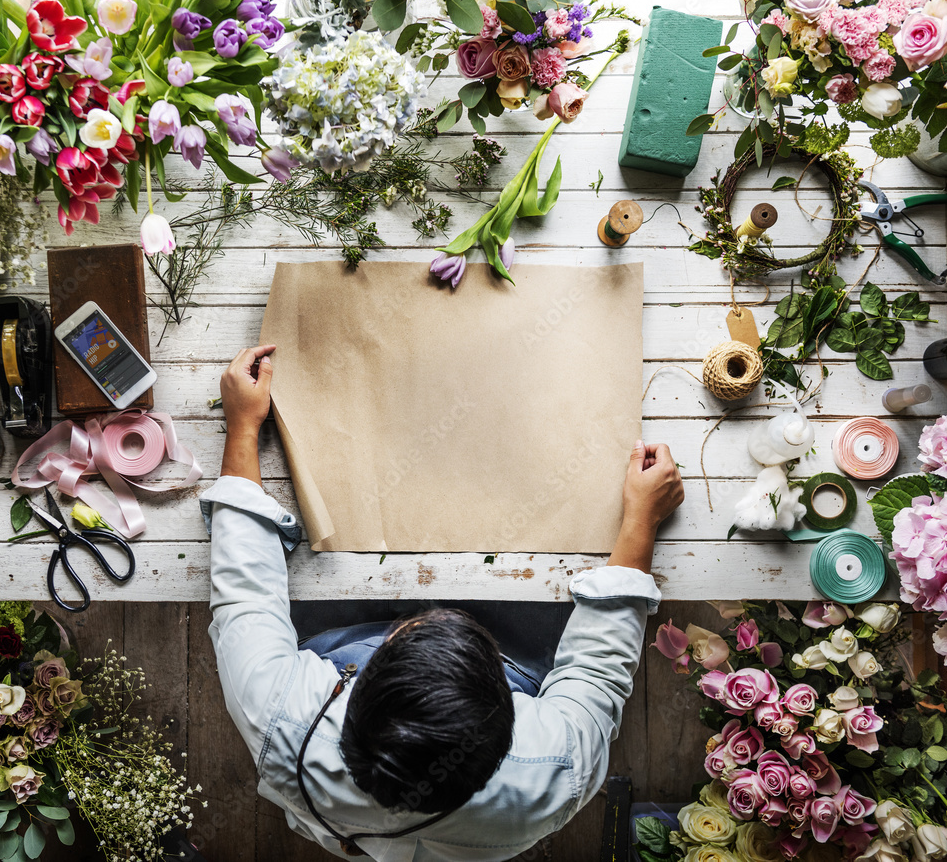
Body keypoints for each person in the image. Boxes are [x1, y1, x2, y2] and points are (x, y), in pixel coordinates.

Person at [201, 344, 684, 861]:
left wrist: (243, 426)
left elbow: (245, 591)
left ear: (356, 702)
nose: (420, 618)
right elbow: (595, 671)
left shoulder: (283, 718)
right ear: (511, 727)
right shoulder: (555, 769)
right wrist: (641, 521)